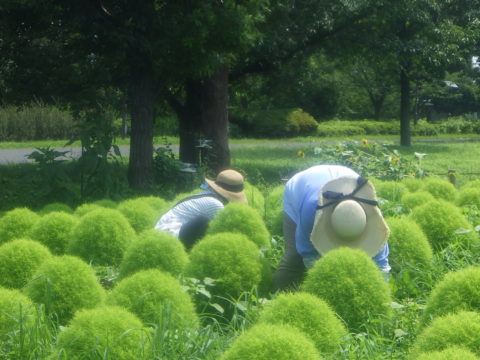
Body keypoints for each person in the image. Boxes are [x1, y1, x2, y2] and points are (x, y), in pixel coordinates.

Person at [273, 165, 390, 291]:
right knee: (294, 257)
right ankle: (275, 297)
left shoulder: (371, 213)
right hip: (300, 188)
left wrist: (381, 294)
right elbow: (309, 255)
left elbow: (381, 265)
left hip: (345, 180)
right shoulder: (310, 210)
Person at [155, 169, 248, 249]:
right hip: (168, 236)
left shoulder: (209, 196)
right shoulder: (215, 203)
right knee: (204, 221)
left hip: (164, 231)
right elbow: (226, 230)